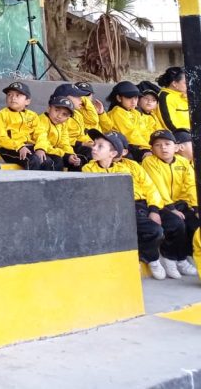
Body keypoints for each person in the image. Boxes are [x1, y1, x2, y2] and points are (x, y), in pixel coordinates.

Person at [84, 131, 166, 279]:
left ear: (113, 153)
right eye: (94, 145)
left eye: (100, 146)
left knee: (156, 231)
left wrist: (154, 209)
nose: (94, 148)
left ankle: (151, 258)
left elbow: (150, 188)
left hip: (136, 206)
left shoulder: (128, 167)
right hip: (111, 211)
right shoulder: (88, 169)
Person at [141, 129, 198, 278]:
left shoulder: (183, 162)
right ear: (152, 149)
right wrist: (171, 208)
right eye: (158, 145)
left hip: (180, 202)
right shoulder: (150, 162)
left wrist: (197, 207)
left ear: (176, 147)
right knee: (176, 223)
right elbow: (157, 185)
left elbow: (191, 185)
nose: (163, 148)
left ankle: (183, 257)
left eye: (167, 144)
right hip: (159, 204)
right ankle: (170, 257)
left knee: (194, 222)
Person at [100, 81, 150, 162]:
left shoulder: (135, 112)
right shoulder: (117, 113)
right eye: (129, 98)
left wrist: (150, 146)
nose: (134, 101)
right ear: (119, 98)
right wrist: (146, 149)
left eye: (136, 98)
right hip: (128, 147)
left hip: (139, 146)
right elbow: (130, 134)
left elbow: (144, 132)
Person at [0, 81, 40, 167]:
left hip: (29, 147)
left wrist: (41, 148)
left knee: (48, 161)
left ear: (27, 101)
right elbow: (1, 138)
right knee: (32, 160)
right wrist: (19, 146)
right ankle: (29, 181)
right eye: (9, 95)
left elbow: (40, 134)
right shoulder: (2, 115)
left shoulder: (33, 116)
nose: (13, 98)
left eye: (18, 95)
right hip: (9, 148)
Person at [31, 95, 82, 172]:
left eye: (64, 114)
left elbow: (64, 143)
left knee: (77, 162)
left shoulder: (62, 125)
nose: (59, 116)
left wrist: (71, 154)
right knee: (56, 160)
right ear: (49, 108)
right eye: (56, 110)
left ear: (68, 118)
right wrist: (63, 154)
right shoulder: (41, 120)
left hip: (52, 151)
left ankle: (69, 183)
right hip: (38, 149)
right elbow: (42, 140)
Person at [156, 66, 190, 132]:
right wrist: (187, 134)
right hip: (181, 134)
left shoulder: (183, 94)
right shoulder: (165, 97)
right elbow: (169, 124)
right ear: (174, 83)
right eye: (186, 83)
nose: (189, 85)